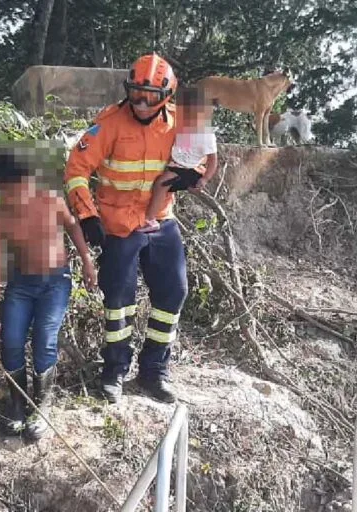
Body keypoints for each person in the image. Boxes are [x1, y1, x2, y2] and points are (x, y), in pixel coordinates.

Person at [64, 53, 197, 404]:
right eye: (136, 93)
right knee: (119, 301)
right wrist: (87, 215)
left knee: (173, 293)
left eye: (150, 96)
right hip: (118, 223)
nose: (141, 102)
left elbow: (200, 157)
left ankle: (153, 371)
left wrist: (191, 174)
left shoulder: (179, 123)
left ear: (166, 95)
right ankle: (114, 370)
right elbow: (76, 169)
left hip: (160, 219)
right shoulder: (109, 122)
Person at [0, 149, 97, 439]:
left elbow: (72, 226)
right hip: (21, 284)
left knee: (45, 338)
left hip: (55, 282)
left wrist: (86, 260)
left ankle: (42, 405)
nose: (15, 196)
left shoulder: (50, 200)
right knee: (11, 341)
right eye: (6, 190)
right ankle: (18, 405)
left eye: (20, 187)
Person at [138, 86, 219, 233]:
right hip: (177, 166)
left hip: (185, 169)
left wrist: (205, 179)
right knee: (164, 184)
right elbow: (182, 148)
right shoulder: (185, 126)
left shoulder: (207, 135)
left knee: (161, 184)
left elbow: (213, 160)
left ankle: (150, 220)